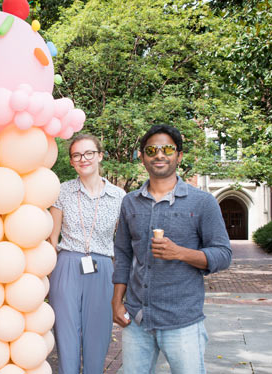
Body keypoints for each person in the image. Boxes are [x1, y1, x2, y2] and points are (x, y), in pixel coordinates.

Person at [111, 125, 232, 374]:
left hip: (182, 321)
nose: (159, 154)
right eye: (151, 149)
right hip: (137, 317)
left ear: (178, 155)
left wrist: (180, 252)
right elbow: (123, 254)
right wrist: (116, 301)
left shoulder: (203, 202)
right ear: (142, 157)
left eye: (167, 149)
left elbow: (223, 254)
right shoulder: (130, 202)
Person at [47, 133, 126, 374]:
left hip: (103, 267)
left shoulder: (119, 197)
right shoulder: (61, 191)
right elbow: (52, 237)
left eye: (89, 153)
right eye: (77, 155)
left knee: (98, 333)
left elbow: (122, 243)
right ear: (71, 161)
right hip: (67, 265)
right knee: (66, 333)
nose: (83, 159)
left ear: (100, 156)